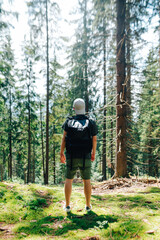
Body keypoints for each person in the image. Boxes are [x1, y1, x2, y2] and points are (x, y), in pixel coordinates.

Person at [60, 98, 98, 212]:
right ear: (84, 108)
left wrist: (61, 153)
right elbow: (94, 140)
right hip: (85, 154)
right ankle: (88, 206)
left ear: (73, 108)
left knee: (68, 179)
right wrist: (93, 153)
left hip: (71, 154)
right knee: (87, 180)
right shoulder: (90, 122)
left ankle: (67, 206)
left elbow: (64, 139)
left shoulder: (68, 121)